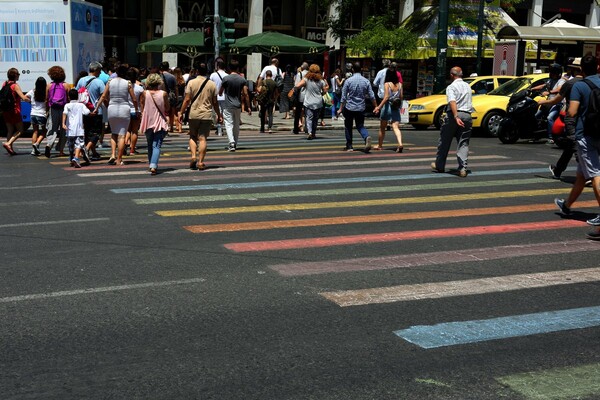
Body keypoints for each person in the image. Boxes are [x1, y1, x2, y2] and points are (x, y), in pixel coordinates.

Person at [552, 55, 600, 239]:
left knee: (594, 173)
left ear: (581, 70)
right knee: (582, 173)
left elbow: (571, 111)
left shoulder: (579, 85)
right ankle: (567, 206)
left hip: (585, 134)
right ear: (596, 67)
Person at [539, 58, 582, 179]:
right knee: (570, 146)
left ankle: (588, 173)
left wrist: (543, 102)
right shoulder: (588, 82)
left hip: (571, 118)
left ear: (573, 70)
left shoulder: (570, 83)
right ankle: (558, 169)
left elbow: (556, 99)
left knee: (574, 144)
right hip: (585, 118)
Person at [431, 66, 473, 177]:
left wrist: (455, 116)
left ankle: (440, 165)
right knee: (463, 142)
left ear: (451, 75)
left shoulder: (451, 87)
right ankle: (462, 168)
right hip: (467, 115)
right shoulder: (467, 86)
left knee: (445, 141)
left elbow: (452, 101)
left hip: (454, 115)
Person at [94, 64, 139, 166]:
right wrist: (136, 109)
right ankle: (119, 159)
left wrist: (97, 108)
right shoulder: (127, 83)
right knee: (122, 135)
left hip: (112, 108)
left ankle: (113, 154)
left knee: (113, 133)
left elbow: (104, 96)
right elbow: (134, 99)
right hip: (124, 108)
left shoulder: (110, 82)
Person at [179, 63, 221, 169]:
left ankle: (193, 156)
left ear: (197, 71)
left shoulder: (191, 83)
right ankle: (201, 162)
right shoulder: (212, 84)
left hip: (193, 113)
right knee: (202, 138)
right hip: (206, 114)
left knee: (193, 136)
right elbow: (215, 102)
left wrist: (181, 112)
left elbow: (187, 99)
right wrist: (218, 114)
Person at [336, 62, 376, 152]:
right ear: (361, 69)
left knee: (348, 126)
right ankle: (366, 137)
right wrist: (376, 106)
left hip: (349, 107)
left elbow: (343, 96)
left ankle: (349, 146)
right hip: (361, 107)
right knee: (360, 125)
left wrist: (340, 108)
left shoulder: (348, 81)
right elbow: (371, 95)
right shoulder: (366, 81)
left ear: (352, 70)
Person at [139, 73, 169, 175]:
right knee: (156, 145)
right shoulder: (163, 94)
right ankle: (153, 165)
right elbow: (167, 108)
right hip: (159, 121)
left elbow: (142, 107)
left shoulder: (144, 93)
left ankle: (151, 164)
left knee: (149, 144)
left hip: (148, 121)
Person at [76, 61, 106, 161]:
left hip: (84, 111)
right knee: (97, 133)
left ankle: (93, 153)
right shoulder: (99, 82)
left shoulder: (81, 80)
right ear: (96, 70)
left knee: (87, 132)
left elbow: (77, 94)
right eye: (100, 71)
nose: (100, 73)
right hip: (96, 111)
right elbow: (104, 96)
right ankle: (86, 149)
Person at [219, 60, 251, 152]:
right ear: (238, 68)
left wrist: (222, 93)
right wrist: (248, 107)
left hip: (228, 105)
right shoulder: (242, 80)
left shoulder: (226, 79)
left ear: (229, 68)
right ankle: (235, 143)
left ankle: (231, 143)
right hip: (238, 105)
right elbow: (245, 94)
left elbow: (220, 92)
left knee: (228, 124)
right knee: (236, 125)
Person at [532, 63, 566, 143]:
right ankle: (536, 134)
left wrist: (549, 92)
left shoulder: (561, 81)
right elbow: (543, 85)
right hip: (548, 103)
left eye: (552, 72)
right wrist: (532, 88)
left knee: (550, 118)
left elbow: (559, 89)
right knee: (536, 116)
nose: (551, 74)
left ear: (557, 73)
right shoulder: (551, 80)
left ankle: (551, 137)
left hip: (557, 104)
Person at [294, 64, 328, 140]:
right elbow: (325, 90)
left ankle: (309, 132)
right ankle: (313, 133)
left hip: (308, 102)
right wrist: (321, 93)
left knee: (309, 118)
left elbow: (297, 85)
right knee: (315, 119)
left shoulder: (306, 79)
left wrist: (295, 89)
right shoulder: (321, 81)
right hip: (318, 102)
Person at [373, 68, 404, 152]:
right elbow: (401, 97)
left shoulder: (387, 84)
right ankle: (400, 143)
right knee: (395, 127)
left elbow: (386, 97)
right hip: (395, 107)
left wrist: (378, 107)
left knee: (382, 127)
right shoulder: (400, 85)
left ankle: (379, 145)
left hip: (387, 107)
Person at [1, 68, 30, 155]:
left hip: (6, 110)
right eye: (18, 74)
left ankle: (10, 148)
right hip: (14, 110)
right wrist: (31, 100)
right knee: (20, 130)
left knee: (10, 130)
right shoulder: (15, 86)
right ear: (15, 76)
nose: (19, 76)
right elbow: (23, 97)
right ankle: (8, 143)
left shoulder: (4, 84)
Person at [45, 66, 70, 158]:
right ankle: (61, 150)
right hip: (64, 109)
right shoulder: (66, 85)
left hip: (53, 109)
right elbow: (68, 98)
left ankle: (49, 145)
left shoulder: (49, 85)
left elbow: (46, 100)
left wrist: (47, 110)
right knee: (64, 129)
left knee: (52, 128)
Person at [62, 88, 90, 168]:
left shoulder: (67, 105)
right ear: (78, 96)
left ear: (69, 97)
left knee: (71, 145)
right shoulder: (81, 105)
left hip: (69, 129)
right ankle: (76, 158)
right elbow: (87, 112)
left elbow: (64, 113)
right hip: (79, 128)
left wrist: (63, 124)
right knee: (78, 144)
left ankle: (71, 158)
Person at [25, 77, 47, 156]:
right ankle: (37, 143)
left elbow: (25, 97)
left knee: (35, 131)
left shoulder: (32, 91)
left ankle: (33, 150)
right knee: (45, 131)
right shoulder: (46, 92)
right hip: (42, 114)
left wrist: (31, 102)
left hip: (33, 113)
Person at [126, 67, 144, 155]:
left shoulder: (124, 87)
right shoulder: (139, 88)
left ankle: (125, 143)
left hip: (126, 110)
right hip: (136, 111)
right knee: (134, 131)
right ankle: (132, 149)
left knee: (127, 130)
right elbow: (141, 102)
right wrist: (142, 112)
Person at [209, 60, 228, 136]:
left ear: (218, 66)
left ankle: (219, 129)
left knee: (217, 113)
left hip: (215, 96)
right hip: (224, 96)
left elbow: (210, 85)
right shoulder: (227, 75)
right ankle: (221, 129)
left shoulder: (213, 75)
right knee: (223, 113)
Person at [158, 61, 178, 132]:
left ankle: (165, 126)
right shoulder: (172, 77)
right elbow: (175, 88)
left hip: (161, 95)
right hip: (171, 96)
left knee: (164, 112)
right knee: (171, 113)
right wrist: (177, 97)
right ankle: (171, 127)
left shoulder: (159, 76)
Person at [292, 62, 309, 134]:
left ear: (301, 68)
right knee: (307, 113)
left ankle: (296, 128)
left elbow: (296, 85)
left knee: (298, 113)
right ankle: (307, 128)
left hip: (301, 96)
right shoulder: (310, 75)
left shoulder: (300, 74)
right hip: (308, 96)